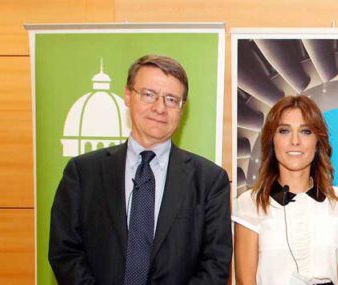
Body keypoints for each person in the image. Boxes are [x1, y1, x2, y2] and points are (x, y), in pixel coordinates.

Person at [49, 55, 232, 284]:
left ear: (182, 108)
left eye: (171, 99)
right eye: (148, 94)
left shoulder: (209, 181)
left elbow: (215, 263)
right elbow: (65, 252)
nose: (159, 108)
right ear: (128, 95)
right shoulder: (83, 173)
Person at [233, 95, 338, 285]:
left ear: (318, 142)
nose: (295, 141)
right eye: (284, 131)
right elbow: (245, 281)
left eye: (306, 131)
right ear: (272, 141)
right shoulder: (250, 203)